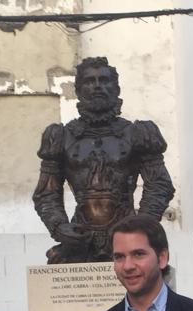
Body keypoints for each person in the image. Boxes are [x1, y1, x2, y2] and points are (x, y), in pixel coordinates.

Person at [33, 56, 176, 264]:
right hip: (79, 238)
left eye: (104, 80)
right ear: (79, 90)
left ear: (116, 89)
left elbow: (159, 185)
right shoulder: (61, 137)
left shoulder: (137, 133)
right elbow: (46, 193)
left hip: (127, 234)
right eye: (90, 81)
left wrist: (140, 227)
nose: (97, 86)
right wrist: (59, 226)